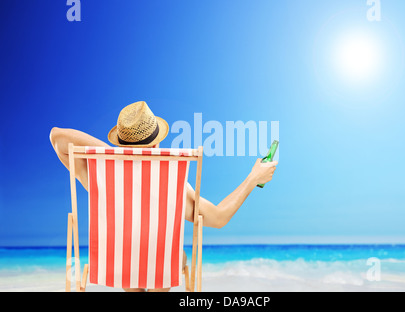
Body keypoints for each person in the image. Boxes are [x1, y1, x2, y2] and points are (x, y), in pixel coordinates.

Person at [49, 101, 277, 292]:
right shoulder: (174, 185)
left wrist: (112, 156)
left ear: (119, 142)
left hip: (119, 266)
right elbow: (218, 218)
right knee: (171, 257)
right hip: (161, 268)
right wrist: (252, 178)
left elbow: (57, 136)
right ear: (157, 142)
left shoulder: (100, 178)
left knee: (130, 256)